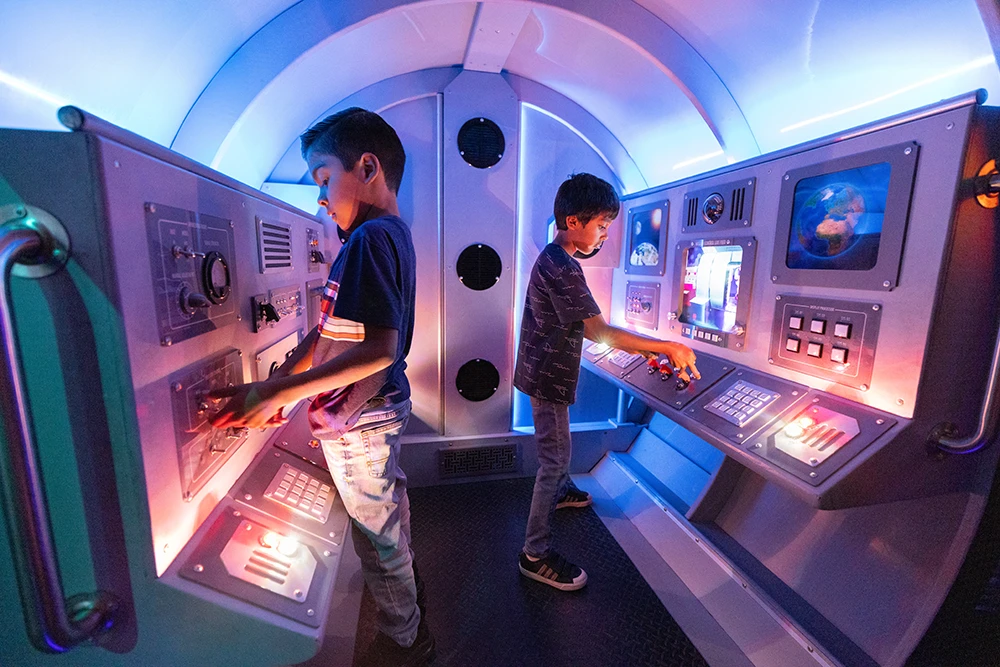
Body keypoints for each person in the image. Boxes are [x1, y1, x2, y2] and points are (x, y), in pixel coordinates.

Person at [208, 108, 433, 666]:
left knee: (373, 532)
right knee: (389, 513)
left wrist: (276, 395)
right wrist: (284, 376)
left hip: (362, 418)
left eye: (322, 178)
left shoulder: (371, 240)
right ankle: (412, 598)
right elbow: (331, 326)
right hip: (377, 409)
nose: (320, 198)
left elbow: (380, 348)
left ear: (367, 166)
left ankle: (405, 640)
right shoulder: (383, 236)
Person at [514, 173, 700, 591]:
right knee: (554, 459)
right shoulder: (562, 267)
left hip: (546, 372)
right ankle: (534, 553)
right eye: (601, 226)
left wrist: (648, 349)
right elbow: (599, 332)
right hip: (547, 377)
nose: (603, 236)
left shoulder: (555, 258)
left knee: (559, 451)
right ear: (573, 221)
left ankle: (561, 493)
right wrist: (665, 347)